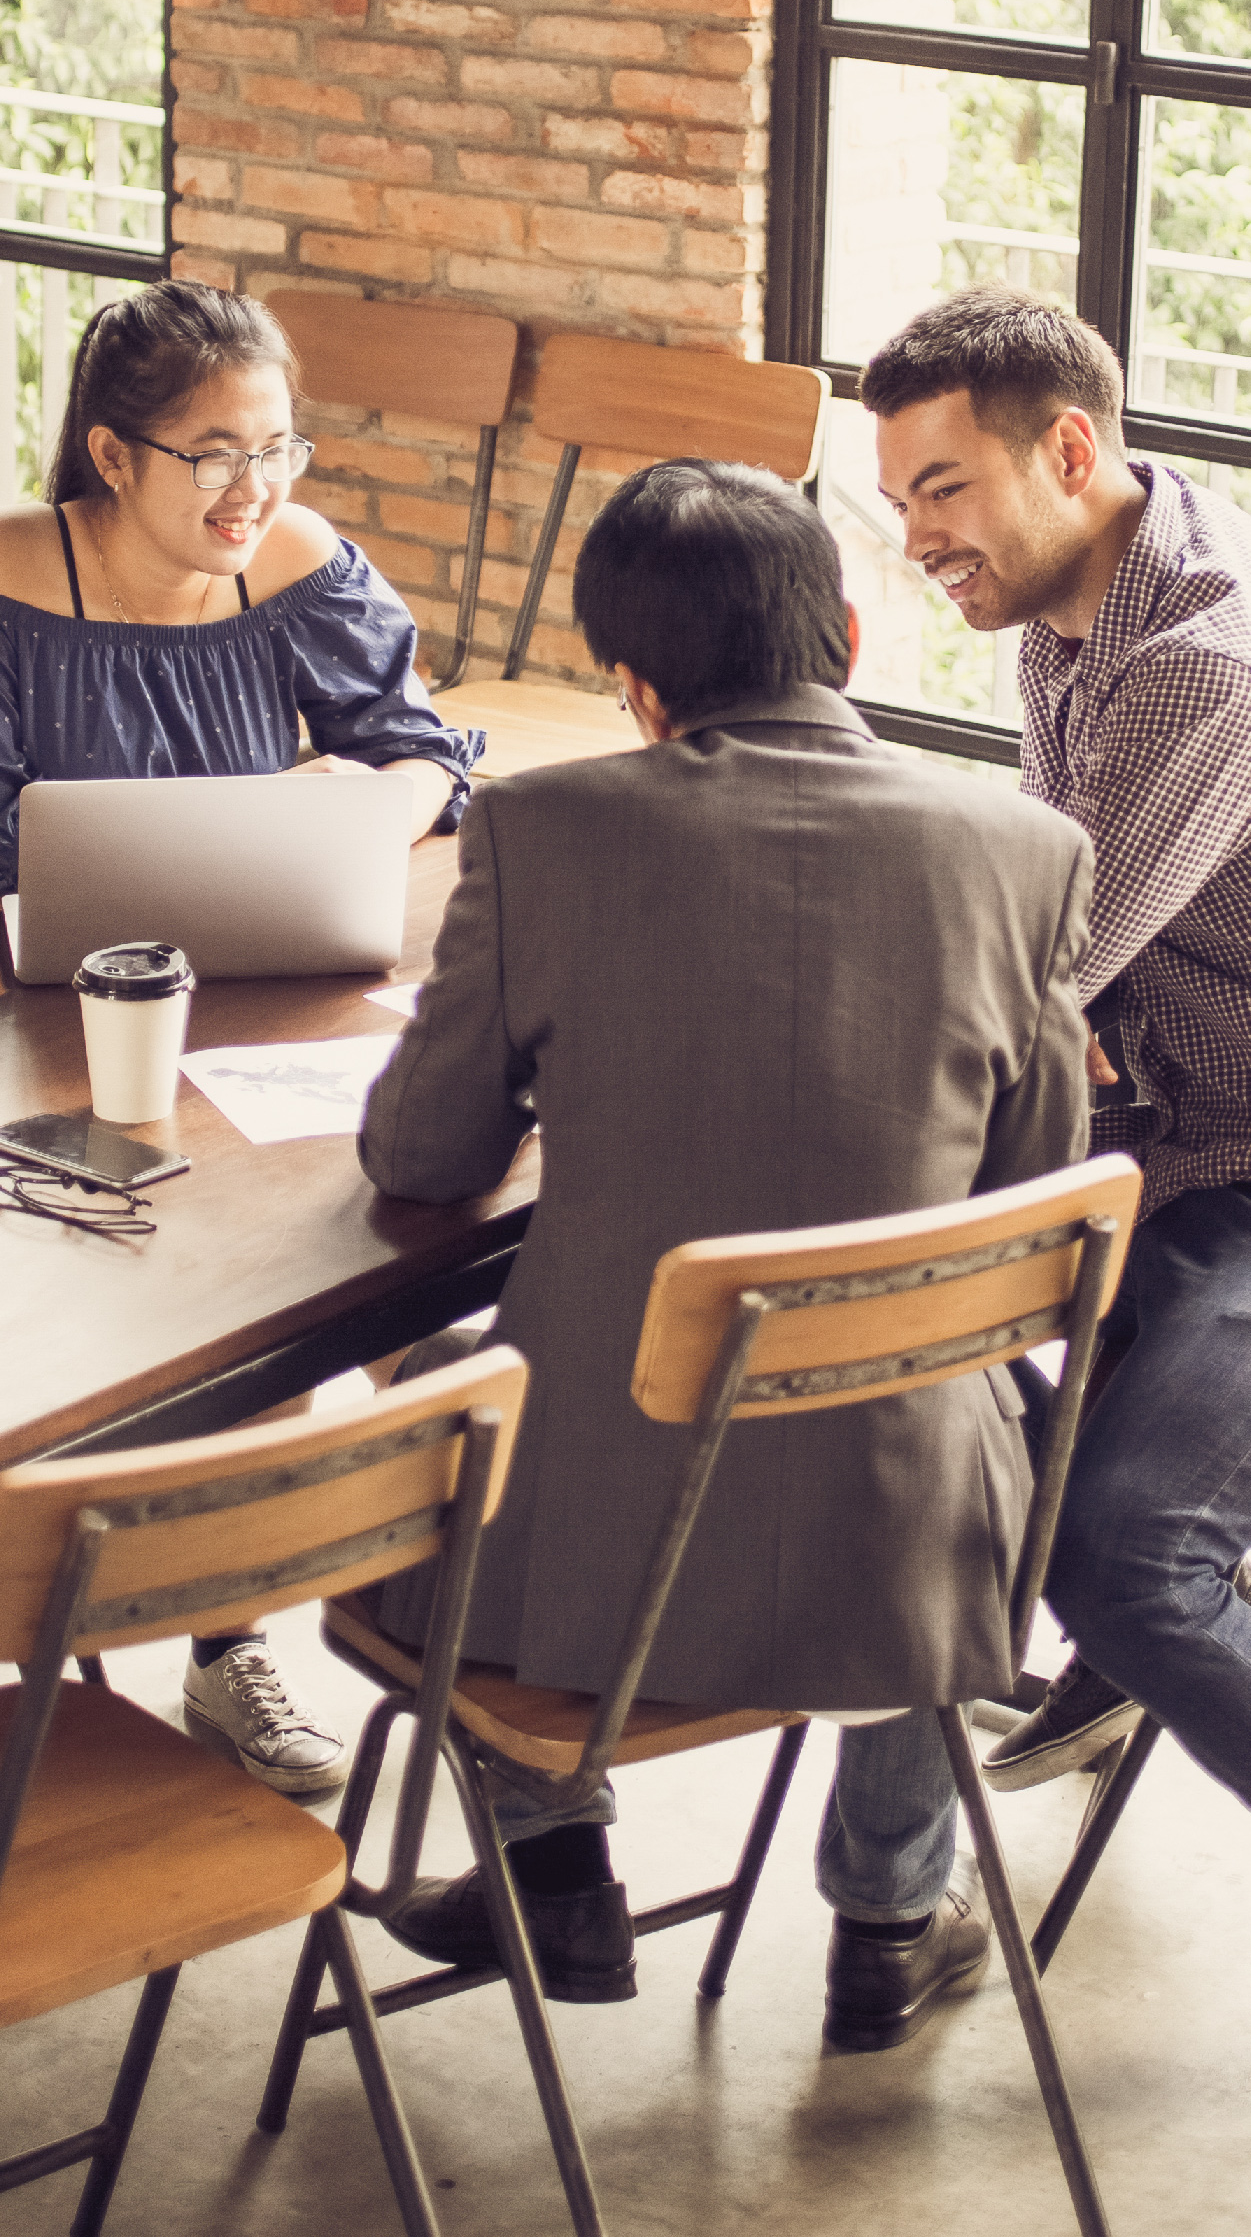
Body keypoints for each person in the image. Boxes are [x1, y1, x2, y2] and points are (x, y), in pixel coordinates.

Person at [357, 458, 1092, 2040]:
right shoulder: (1023, 850)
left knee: (424, 1389)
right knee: (957, 1399)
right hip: (906, 1548)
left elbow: (423, 1153)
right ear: (843, 628)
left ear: (632, 687)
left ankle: (555, 1861)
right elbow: (1027, 1187)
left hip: (594, 1571)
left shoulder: (541, 831)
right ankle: (891, 1911)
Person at [0, 278, 482, 1796]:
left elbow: (419, 749)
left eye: (278, 447)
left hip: (263, 999)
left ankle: (233, 1639)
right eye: (213, 453)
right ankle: (72, 1606)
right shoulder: (12, 579)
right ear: (114, 455)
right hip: (33, 1021)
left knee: (311, 1262)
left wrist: (359, 814)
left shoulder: (294, 561)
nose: (253, 487)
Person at [861, 284, 1251, 1806]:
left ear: (1068, 448)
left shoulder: (1201, 666)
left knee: (1126, 1556)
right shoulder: (1078, 605)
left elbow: (1049, 954)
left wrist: (1046, 998)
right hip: (1155, 1137)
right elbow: (1055, 932)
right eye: (899, 499)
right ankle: (895, 1894)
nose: (915, 538)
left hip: (1232, 1169)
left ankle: (1131, 1618)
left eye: (943, 488)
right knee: (908, 1398)